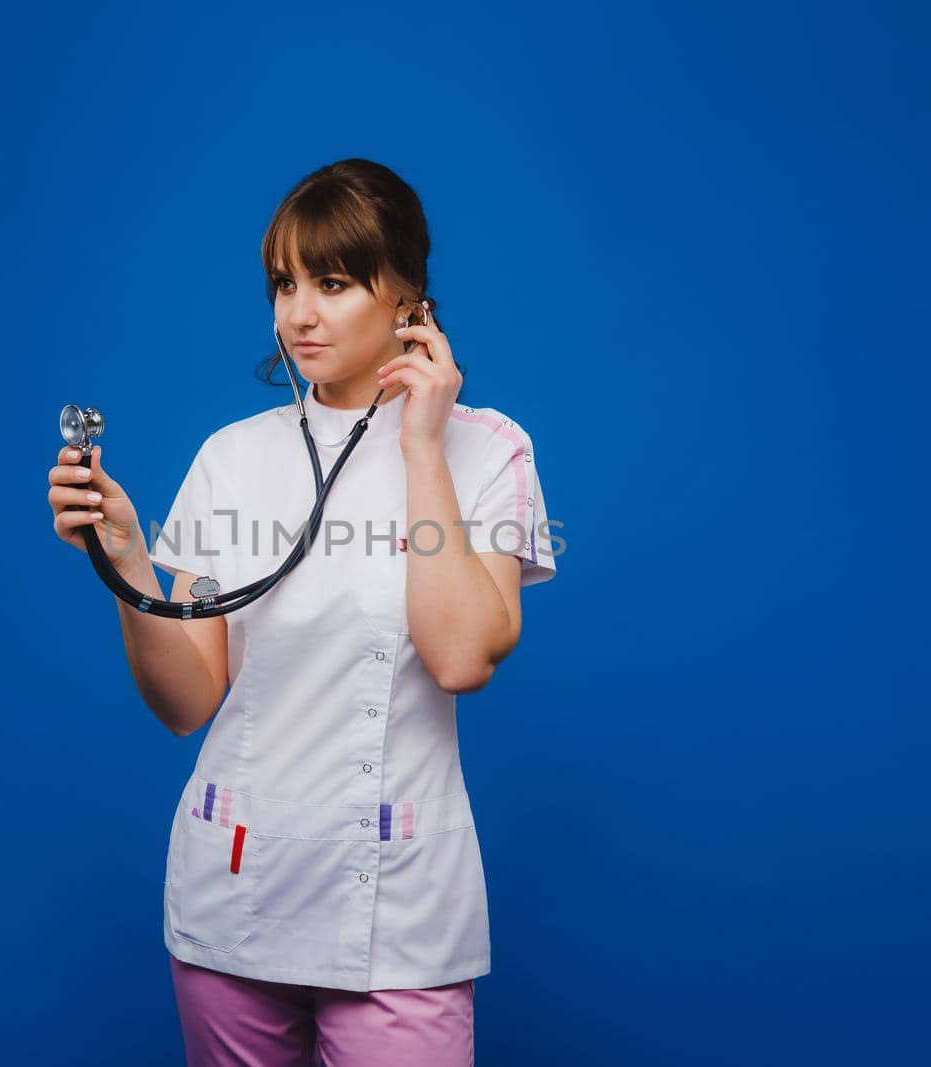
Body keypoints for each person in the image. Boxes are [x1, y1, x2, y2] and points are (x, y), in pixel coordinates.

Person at [47, 159, 556, 1066]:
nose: (298, 315)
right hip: (233, 890)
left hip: (397, 909)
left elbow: (461, 658)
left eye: (332, 283)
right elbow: (187, 701)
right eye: (285, 284)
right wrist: (125, 559)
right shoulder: (231, 458)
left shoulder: (489, 451)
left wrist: (423, 445)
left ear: (408, 297)